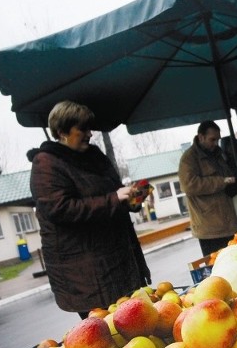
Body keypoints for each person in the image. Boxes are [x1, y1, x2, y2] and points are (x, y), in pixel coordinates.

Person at [27, 101, 151, 319]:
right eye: (82, 129)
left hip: (118, 258)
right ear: (62, 131)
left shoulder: (95, 157)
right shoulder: (46, 164)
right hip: (86, 272)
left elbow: (113, 194)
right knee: (106, 333)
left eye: (89, 128)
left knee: (137, 323)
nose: (90, 134)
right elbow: (60, 209)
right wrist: (114, 199)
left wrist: (130, 199)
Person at [178, 120, 237, 256]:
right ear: (201, 137)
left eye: (217, 140)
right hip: (209, 229)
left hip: (228, 223)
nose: (215, 144)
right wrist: (221, 181)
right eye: (212, 139)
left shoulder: (217, 154)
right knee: (216, 267)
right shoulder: (189, 159)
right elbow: (188, 185)